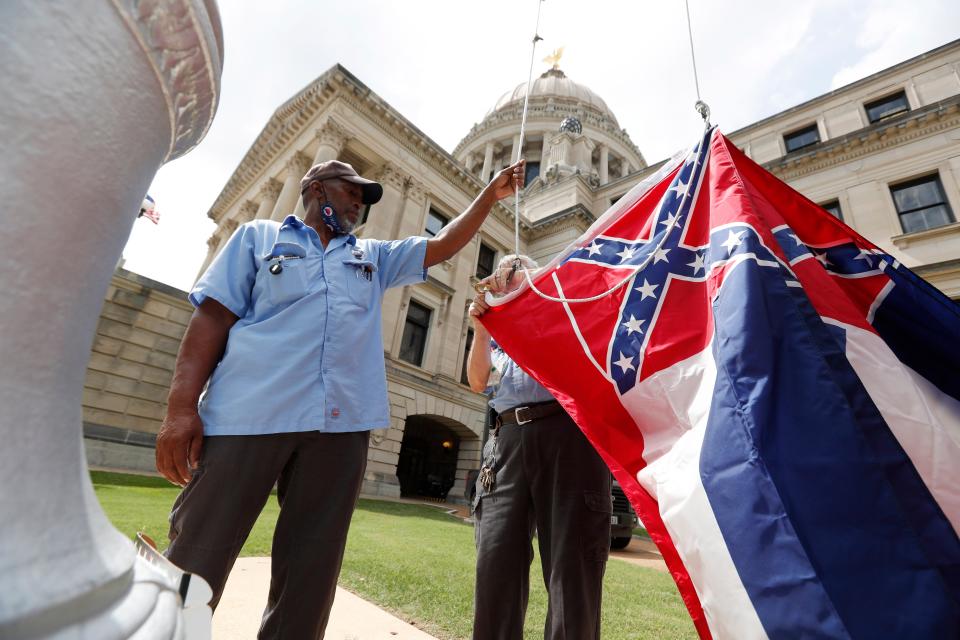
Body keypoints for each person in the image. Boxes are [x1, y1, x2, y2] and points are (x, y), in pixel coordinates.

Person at [156, 157, 524, 639]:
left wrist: (489, 197)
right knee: (199, 550)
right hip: (248, 415)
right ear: (314, 187)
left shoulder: (372, 256)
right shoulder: (257, 238)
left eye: (364, 197)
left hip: (340, 427)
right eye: (350, 190)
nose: (358, 201)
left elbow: (442, 245)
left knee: (312, 566)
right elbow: (210, 321)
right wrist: (180, 410)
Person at [467, 255, 611, 640]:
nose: (504, 278)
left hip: (568, 435)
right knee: (495, 562)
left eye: (515, 270)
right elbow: (478, 382)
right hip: (506, 440)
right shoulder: (497, 333)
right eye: (500, 274)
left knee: (572, 571)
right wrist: (481, 332)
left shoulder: (566, 309)